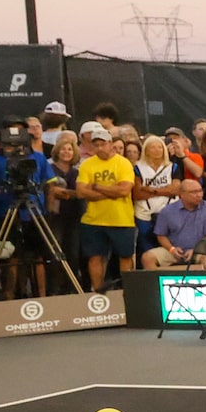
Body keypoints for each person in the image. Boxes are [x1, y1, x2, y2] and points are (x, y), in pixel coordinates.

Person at [68, 125, 138, 292]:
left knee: (125, 256)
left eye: (102, 144)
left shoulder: (123, 163)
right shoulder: (87, 165)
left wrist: (97, 187)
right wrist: (110, 191)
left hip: (121, 219)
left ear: (110, 144)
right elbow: (81, 192)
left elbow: (124, 190)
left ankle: (129, 290)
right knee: (95, 256)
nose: (99, 148)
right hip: (93, 219)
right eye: (96, 145)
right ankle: (98, 290)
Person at [145, 175, 206, 269]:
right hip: (174, 250)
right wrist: (171, 249)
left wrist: (197, 250)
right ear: (182, 194)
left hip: (201, 251)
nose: (199, 195)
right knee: (147, 258)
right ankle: (155, 283)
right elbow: (161, 235)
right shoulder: (167, 211)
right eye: (194, 192)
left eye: (200, 191)